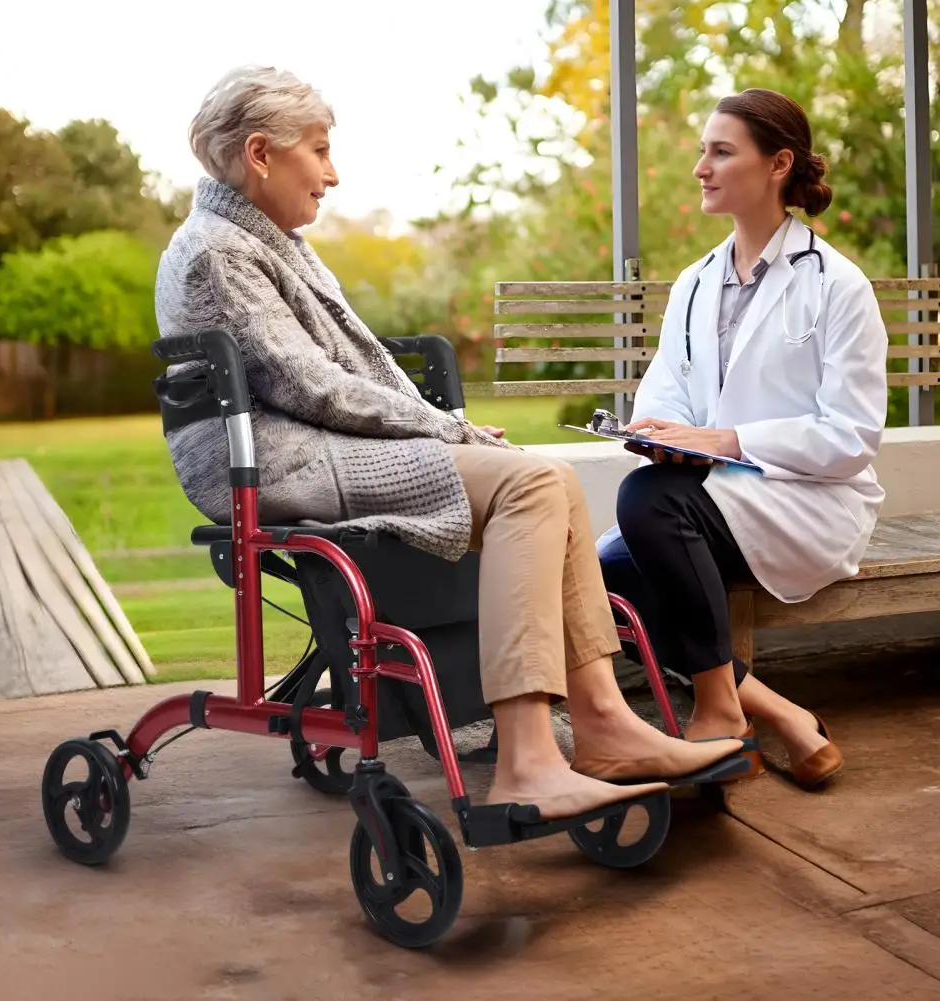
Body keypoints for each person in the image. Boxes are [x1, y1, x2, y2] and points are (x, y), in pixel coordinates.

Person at [155, 65, 744, 824]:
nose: (332, 174)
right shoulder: (218, 251)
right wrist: (445, 427)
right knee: (528, 486)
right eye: (320, 150)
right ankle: (527, 760)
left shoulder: (264, 240)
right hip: (279, 462)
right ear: (261, 153)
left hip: (313, 445)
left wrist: (455, 431)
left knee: (545, 477)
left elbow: (344, 372)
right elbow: (313, 386)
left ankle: (602, 725)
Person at [597, 88, 888, 789]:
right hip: (715, 490)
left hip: (810, 498)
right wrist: (660, 432)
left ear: (777, 163)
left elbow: (849, 437)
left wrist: (724, 440)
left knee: (646, 504)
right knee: (608, 569)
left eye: (720, 151)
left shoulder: (837, 285)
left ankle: (717, 711)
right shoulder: (696, 283)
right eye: (703, 150)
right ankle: (772, 711)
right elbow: (665, 390)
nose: (700, 166)